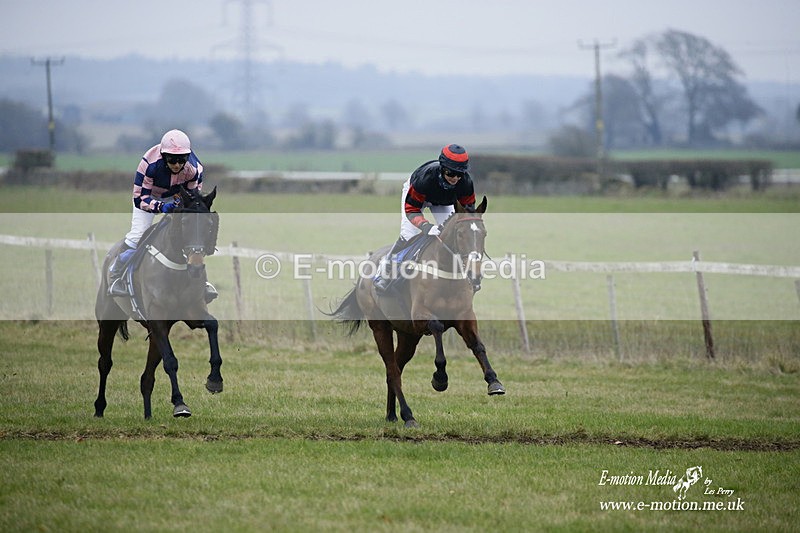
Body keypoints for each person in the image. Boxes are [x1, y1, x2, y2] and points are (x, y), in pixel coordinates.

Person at [108, 129, 217, 301]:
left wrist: (181, 208)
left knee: (190, 236)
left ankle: (202, 282)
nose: (177, 164)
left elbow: (192, 199)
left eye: (181, 159)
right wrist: (162, 207)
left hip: (177, 197)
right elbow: (140, 199)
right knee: (137, 236)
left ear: (187, 157)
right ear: (163, 156)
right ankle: (116, 275)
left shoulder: (194, 169)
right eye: (172, 159)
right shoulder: (149, 164)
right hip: (148, 196)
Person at [373, 143, 476, 292]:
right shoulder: (425, 179)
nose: (455, 178)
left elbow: (467, 214)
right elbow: (412, 209)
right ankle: (386, 267)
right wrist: (426, 226)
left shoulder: (466, 183)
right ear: (442, 168)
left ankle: (459, 273)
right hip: (416, 198)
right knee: (409, 234)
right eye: (451, 173)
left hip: (442, 202)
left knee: (453, 233)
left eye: (459, 174)